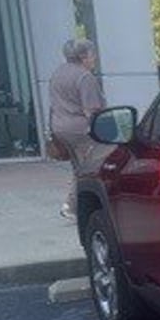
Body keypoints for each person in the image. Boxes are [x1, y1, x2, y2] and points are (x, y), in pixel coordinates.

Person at [48, 39, 104, 219]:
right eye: (92, 54)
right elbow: (93, 111)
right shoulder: (85, 77)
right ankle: (74, 207)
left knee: (79, 168)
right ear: (83, 57)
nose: (94, 58)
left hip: (60, 128)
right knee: (91, 168)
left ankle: (72, 206)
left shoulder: (57, 73)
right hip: (80, 131)